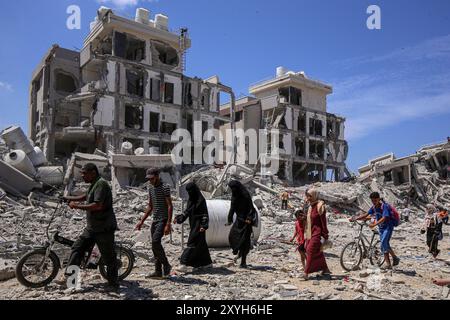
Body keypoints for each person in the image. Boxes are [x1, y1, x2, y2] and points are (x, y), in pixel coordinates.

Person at [65, 163, 119, 288]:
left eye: (84, 173)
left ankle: (113, 284)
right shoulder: (93, 184)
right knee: (76, 249)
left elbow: (97, 205)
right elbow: (85, 196)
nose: (82, 176)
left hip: (104, 228)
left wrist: (76, 206)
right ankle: (71, 282)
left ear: (93, 172)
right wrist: (67, 198)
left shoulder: (101, 184)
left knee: (108, 258)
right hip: (92, 228)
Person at [136, 168, 173, 279]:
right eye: (148, 179)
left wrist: (168, 223)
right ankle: (158, 271)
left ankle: (166, 265)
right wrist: (141, 221)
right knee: (154, 246)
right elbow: (150, 206)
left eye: (152, 178)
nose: (150, 181)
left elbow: (170, 205)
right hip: (155, 220)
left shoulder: (165, 187)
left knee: (156, 242)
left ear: (157, 176)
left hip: (163, 219)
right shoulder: (151, 188)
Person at [350, 192, 400, 270]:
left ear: (379, 199)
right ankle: (391, 262)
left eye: (375, 200)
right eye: (372, 201)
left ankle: (392, 260)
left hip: (388, 227)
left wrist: (374, 224)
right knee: (384, 244)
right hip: (381, 228)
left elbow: (385, 217)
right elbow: (366, 215)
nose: (374, 202)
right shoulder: (373, 207)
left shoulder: (384, 206)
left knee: (383, 243)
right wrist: (355, 218)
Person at [174, 182, 212, 269]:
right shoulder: (191, 200)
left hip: (199, 225)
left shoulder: (201, 200)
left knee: (192, 242)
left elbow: (204, 214)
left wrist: (204, 225)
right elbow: (187, 211)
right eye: (188, 191)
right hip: (193, 224)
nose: (190, 192)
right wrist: (179, 218)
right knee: (201, 245)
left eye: (191, 190)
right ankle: (206, 263)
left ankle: (183, 263)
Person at [227, 180, 257, 269]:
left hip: (247, 223)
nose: (233, 190)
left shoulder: (245, 195)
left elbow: (251, 208)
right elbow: (232, 208)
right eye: (231, 188)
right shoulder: (234, 196)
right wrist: (229, 219)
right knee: (232, 236)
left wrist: (249, 218)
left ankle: (243, 262)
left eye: (234, 188)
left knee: (245, 242)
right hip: (239, 221)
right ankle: (236, 251)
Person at [303, 189, 331, 280]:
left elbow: (323, 222)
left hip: (317, 233)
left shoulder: (320, 206)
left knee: (311, 250)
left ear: (314, 196)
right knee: (315, 251)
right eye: (307, 196)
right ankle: (325, 268)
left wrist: (325, 235)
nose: (308, 198)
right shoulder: (310, 207)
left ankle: (306, 273)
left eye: (310, 196)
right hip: (310, 233)